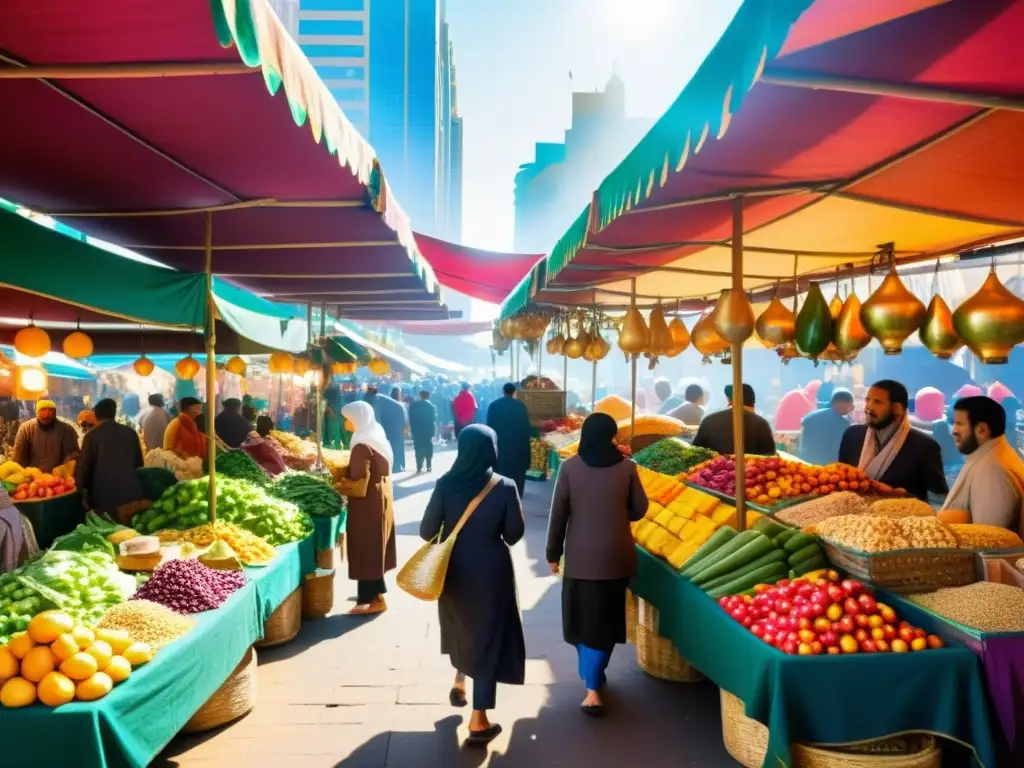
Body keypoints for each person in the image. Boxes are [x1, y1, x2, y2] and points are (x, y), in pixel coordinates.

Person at [419, 425, 525, 745]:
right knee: (489, 637)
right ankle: (478, 720)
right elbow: (513, 534)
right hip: (491, 572)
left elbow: (426, 530)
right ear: (491, 449)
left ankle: (460, 678)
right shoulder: (504, 487)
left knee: (461, 626)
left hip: (453, 571)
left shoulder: (445, 483)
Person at [546, 413, 648, 715]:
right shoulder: (628, 468)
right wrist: (618, 509)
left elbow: (558, 516)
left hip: (579, 559)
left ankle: (592, 688)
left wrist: (553, 553)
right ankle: (594, 675)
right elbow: (639, 509)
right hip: (616, 558)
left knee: (581, 621)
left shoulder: (569, 468)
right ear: (612, 436)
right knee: (605, 622)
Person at [838, 380, 948, 501]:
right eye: (868, 400)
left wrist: (903, 496)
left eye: (877, 402)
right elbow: (840, 481)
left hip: (903, 518)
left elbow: (939, 500)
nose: (868, 407)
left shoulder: (925, 446)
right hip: (851, 517)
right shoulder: (852, 435)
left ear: (897, 409)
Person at [336, 401, 396, 615]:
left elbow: (356, 477)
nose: (345, 422)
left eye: (348, 418)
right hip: (376, 498)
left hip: (365, 503)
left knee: (366, 547)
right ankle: (373, 593)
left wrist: (337, 482)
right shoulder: (374, 435)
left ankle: (372, 599)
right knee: (372, 545)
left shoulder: (361, 445)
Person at [940, 396, 1024, 533]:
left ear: (982, 430)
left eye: (960, 424)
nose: (953, 430)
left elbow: (989, 541)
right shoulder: (988, 457)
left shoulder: (993, 471)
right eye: (953, 423)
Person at [75, 399, 145, 518]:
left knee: (108, 533)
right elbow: (139, 465)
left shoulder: (91, 436)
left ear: (95, 415)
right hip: (130, 496)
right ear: (114, 414)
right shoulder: (131, 433)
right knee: (130, 533)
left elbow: (84, 468)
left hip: (102, 499)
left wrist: (81, 493)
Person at [692, 384, 776, 457]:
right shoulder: (761, 423)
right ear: (752, 403)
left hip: (713, 473)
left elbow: (696, 452)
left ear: (730, 401)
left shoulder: (709, 421)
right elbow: (770, 457)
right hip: (751, 473)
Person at [485, 383, 532, 497]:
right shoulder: (521, 406)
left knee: (501, 468)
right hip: (517, 444)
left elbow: (489, 426)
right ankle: (516, 494)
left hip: (500, 444)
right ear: (514, 392)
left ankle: (499, 492)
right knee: (517, 470)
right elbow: (526, 428)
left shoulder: (494, 405)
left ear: (503, 391)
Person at [13, 399, 79, 473]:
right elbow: (18, 458)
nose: (46, 414)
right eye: (43, 410)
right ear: (36, 412)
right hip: (31, 478)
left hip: (58, 479)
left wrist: (65, 467)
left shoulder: (67, 429)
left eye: (50, 410)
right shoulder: (26, 429)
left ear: (55, 412)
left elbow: (73, 454)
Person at [799, 388, 855, 465]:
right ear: (839, 403)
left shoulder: (812, 416)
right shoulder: (843, 423)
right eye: (850, 404)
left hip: (807, 463)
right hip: (830, 467)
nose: (851, 407)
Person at [365, 386, 408, 473]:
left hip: (396, 419)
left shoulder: (374, 399)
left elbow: (377, 416)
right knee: (397, 443)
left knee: (396, 443)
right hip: (397, 416)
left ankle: (397, 467)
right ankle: (399, 465)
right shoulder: (376, 396)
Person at [408, 389, 437, 473]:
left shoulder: (413, 405)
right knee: (428, 447)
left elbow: (411, 419)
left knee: (418, 448)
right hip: (428, 431)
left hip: (417, 431)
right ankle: (429, 465)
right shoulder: (431, 406)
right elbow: (433, 419)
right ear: (428, 396)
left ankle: (419, 466)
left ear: (420, 396)